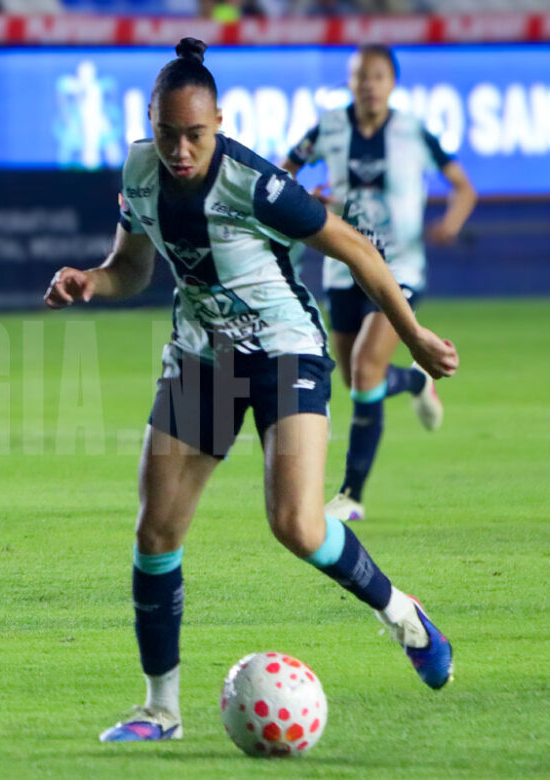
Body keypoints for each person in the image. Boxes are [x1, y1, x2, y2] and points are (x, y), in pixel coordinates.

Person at [44, 38, 457, 744]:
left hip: (283, 348)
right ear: (148, 122)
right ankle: (161, 711)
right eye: (167, 133)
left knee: (296, 524)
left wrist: (412, 334)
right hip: (202, 353)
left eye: (195, 135)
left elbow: (355, 246)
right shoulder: (139, 171)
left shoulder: (254, 183)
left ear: (220, 124)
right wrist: (92, 278)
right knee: (155, 533)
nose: (179, 150)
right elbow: (133, 267)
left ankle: (403, 616)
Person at [281, 44, 476, 523]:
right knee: (355, 379)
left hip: (399, 270)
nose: (368, 84)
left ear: (392, 82)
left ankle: (351, 493)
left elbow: (463, 187)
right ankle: (414, 380)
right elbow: (281, 173)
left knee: (365, 372)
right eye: (359, 76)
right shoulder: (328, 128)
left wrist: (451, 222)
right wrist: (305, 197)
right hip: (341, 264)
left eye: (377, 76)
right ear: (350, 82)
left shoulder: (414, 132)